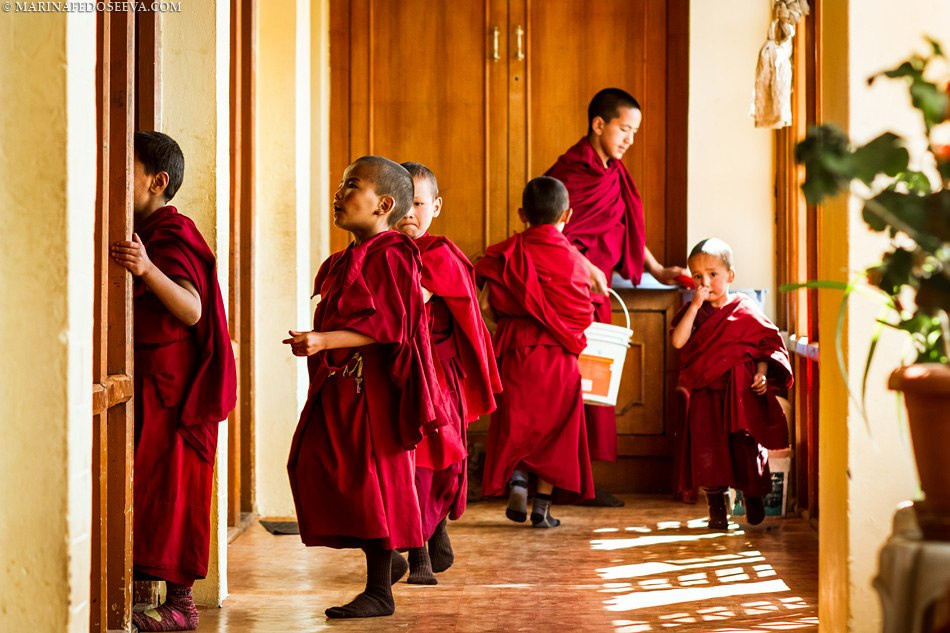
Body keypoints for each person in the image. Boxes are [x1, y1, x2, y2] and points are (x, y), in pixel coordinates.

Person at [284, 156, 444, 618]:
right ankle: (385, 560)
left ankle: (380, 590)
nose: (339, 193)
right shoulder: (345, 258)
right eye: (339, 184)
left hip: (374, 392)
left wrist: (323, 340)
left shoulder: (394, 254)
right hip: (342, 387)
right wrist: (319, 344)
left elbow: (392, 325)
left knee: (371, 482)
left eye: (352, 185)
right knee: (322, 467)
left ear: (384, 205)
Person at [110, 131, 236, 632]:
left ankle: (181, 604)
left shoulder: (172, 232)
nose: (118, 180)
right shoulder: (142, 229)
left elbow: (191, 308)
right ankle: (144, 595)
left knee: (175, 488)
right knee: (147, 487)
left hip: (175, 387)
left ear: (158, 182)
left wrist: (145, 270)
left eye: (128, 170)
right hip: (146, 377)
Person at [546, 88, 688, 499]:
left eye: (635, 132)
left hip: (597, 292)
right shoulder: (568, 173)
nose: (629, 139)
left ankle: (580, 484)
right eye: (624, 129)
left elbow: (623, 227)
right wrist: (585, 265)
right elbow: (549, 234)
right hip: (566, 294)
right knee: (565, 387)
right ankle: (555, 482)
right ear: (599, 125)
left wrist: (659, 268)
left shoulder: (614, 174)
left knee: (594, 385)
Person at [393, 162, 502, 584]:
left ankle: (433, 529)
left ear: (435, 206)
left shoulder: (439, 253)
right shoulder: (383, 250)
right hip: (400, 370)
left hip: (438, 373)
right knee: (410, 461)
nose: (409, 212)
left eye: (418, 203)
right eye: (401, 202)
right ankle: (419, 549)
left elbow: (407, 305)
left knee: (440, 458)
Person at [475, 176, 595, 528]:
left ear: (522, 213)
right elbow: (583, 314)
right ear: (567, 215)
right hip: (560, 356)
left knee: (517, 425)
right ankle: (542, 507)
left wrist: (508, 325)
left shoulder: (506, 253)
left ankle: (518, 481)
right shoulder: (574, 261)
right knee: (557, 431)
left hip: (515, 349)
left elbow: (484, 306)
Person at [670, 238, 793, 530]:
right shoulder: (696, 313)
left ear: (730, 276)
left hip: (741, 393)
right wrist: (694, 304)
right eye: (698, 276)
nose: (706, 282)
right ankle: (716, 509)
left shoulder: (745, 308)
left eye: (713, 274)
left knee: (746, 448)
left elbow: (765, 346)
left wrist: (762, 373)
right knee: (708, 450)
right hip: (707, 394)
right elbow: (678, 341)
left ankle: (753, 497)